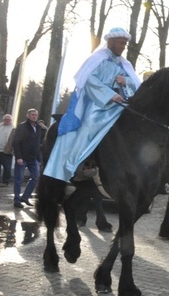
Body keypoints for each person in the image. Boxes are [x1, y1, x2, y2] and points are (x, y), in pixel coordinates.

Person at [43, 27, 141, 182]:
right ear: (111, 42)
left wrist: (126, 81)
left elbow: (136, 84)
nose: (123, 47)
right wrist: (110, 95)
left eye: (124, 44)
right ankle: (78, 164)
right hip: (98, 105)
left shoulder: (124, 64)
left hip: (121, 105)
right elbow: (88, 80)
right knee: (89, 125)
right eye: (120, 43)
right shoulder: (97, 59)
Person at [12, 108, 43, 208]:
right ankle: (17, 200)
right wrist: (18, 157)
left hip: (33, 158)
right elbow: (16, 142)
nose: (34, 116)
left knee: (35, 177)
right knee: (19, 178)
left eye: (35, 115)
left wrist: (39, 159)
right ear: (28, 115)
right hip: (22, 157)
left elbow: (37, 144)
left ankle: (25, 197)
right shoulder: (22, 127)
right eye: (32, 115)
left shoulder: (38, 127)